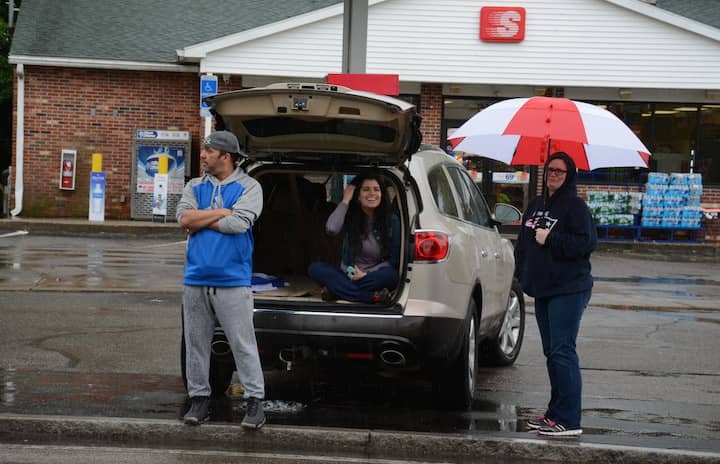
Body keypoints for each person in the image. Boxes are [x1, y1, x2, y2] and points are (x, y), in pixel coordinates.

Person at [176, 130, 266, 429]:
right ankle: (199, 400)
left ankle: (255, 403)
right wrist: (219, 212)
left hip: (233, 280)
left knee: (243, 344)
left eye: (209, 150)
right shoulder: (194, 185)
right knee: (196, 343)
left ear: (226, 156)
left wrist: (201, 219)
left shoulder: (250, 187)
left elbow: (239, 223)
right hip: (195, 278)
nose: (202, 154)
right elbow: (184, 219)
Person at [514, 151, 597, 438]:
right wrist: (520, 274)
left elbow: (586, 243)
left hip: (569, 288)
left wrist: (551, 238)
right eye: (550, 169)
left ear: (569, 175)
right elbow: (523, 244)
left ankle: (570, 420)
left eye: (560, 171)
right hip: (543, 290)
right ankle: (554, 414)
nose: (553, 175)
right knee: (552, 353)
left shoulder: (575, 207)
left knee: (563, 352)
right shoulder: (536, 205)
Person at [308, 172, 400, 304]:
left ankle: (337, 291)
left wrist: (365, 275)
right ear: (357, 195)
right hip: (348, 275)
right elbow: (331, 229)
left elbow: (394, 260)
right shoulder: (350, 217)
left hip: (374, 276)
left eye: (376, 189)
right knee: (315, 269)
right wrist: (345, 200)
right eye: (366, 189)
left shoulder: (392, 221)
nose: (372, 194)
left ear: (381, 194)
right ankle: (372, 297)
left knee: (391, 275)